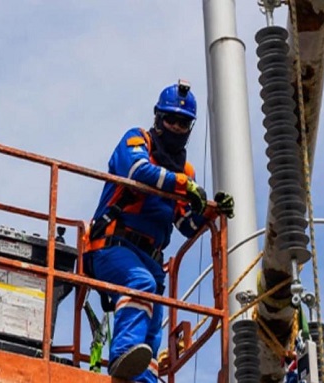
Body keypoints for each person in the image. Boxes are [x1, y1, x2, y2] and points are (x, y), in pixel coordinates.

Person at [84, 80, 234, 382]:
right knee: (139, 284)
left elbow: (184, 225)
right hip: (112, 246)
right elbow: (137, 171)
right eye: (171, 119)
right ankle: (122, 356)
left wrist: (208, 211)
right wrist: (184, 186)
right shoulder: (138, 141)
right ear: (158, 118)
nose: (176, 127)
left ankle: (144, 377)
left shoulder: (185, 171)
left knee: (153, 326)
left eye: (183, 122)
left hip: (151, 259)